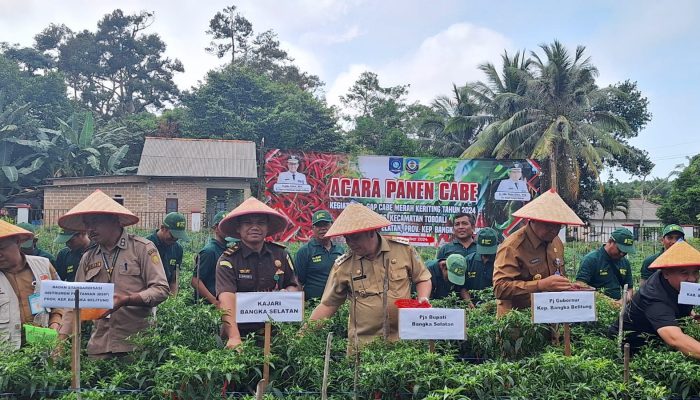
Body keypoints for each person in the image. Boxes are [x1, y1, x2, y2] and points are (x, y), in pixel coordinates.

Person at [57, 189, 169, 358]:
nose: (90, 229)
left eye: (95, 222)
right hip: (99, 346)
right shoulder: (89, 257)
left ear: (115, 220)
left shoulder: (141, 249)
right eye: (87, 224)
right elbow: (75, 302)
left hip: (136, 346)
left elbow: (161, 290)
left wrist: (127, 299)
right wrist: (61, 340)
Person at [308, 203, 432, 352]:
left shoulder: (402, 249)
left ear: (372, 232)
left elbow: (422, 278)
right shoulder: (343, 265)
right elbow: (328, 305)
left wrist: (423, 300)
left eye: (355, 237)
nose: (350, 243)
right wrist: (302, 335)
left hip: (402, 343)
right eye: (347, 238)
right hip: (363, 348)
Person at [216, 197, 299, 349]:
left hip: (275, 333)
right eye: (248, 223)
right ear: (238, 228)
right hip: (241, 333)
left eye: (260, 223)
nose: (255, 227)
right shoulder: (228, 260)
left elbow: (293, 286)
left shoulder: (281, 255)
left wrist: (285, 293)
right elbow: (226, 300)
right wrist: (234, 337)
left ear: (267, 228)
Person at [493, 189, 584, 316]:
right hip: (519, 321)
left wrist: (566, 286)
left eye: (558, 226)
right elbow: (500, 288)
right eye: (548, 225)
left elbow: (557, 275)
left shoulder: (556, 242)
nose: (554, 230)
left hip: (550, 317)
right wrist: (540, 285)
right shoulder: (512, 247)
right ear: (533, 220)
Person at [622, 240, 700, 358]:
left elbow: (687, 311)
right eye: (684, 273)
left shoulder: (680, 286)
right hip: (634, 353)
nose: (692, 279)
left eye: (695, 272)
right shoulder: (654, 297)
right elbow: (675, 339)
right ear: (666, 273)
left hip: (658, 343)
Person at [0, 220, 63, 350]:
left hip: (42, 349)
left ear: (18, 242)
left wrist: (55, 323)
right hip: (6, 356)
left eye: (1, 248)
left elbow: (61, 301)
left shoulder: (44, 266)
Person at [294, 210, 345, 300]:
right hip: (312, 306)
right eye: (319, 225)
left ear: (331, 226)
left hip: (338, 304)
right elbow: (298, 281)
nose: (322, 228)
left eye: (325, 224)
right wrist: (300, 305)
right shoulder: (305, 251)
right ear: (313, 228)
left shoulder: (340, 250)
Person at [575, 228, 635, 301]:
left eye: (625, 252)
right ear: (610, 242)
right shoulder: (591, 259)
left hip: (618, 307)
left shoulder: (625, 262)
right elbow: (580, 285)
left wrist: (623, 301)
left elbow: (629, 289)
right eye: (620, 250)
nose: (622, 254)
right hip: (595, 305)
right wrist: (606, 300)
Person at [191, 211, 229, 305]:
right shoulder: (209, 252)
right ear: (215, 228)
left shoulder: (228, 250)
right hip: (209, 308)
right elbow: (195, 281)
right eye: (224, 226)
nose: (228, 229)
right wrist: (214, 301)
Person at [147, 212, 189, 296]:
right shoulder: (146, 245)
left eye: (178, 237)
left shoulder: (178, 249)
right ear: (163, 228)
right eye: (173, 236)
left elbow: (174, 279)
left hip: (166, 294)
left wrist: (173, 301)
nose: (175, 239)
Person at [460, 227, 499, 306]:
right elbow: (462, 287)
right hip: (472, 306)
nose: (486, 254)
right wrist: (468, 302)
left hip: (495, 305)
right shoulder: (468, 261)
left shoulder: (501, 262)